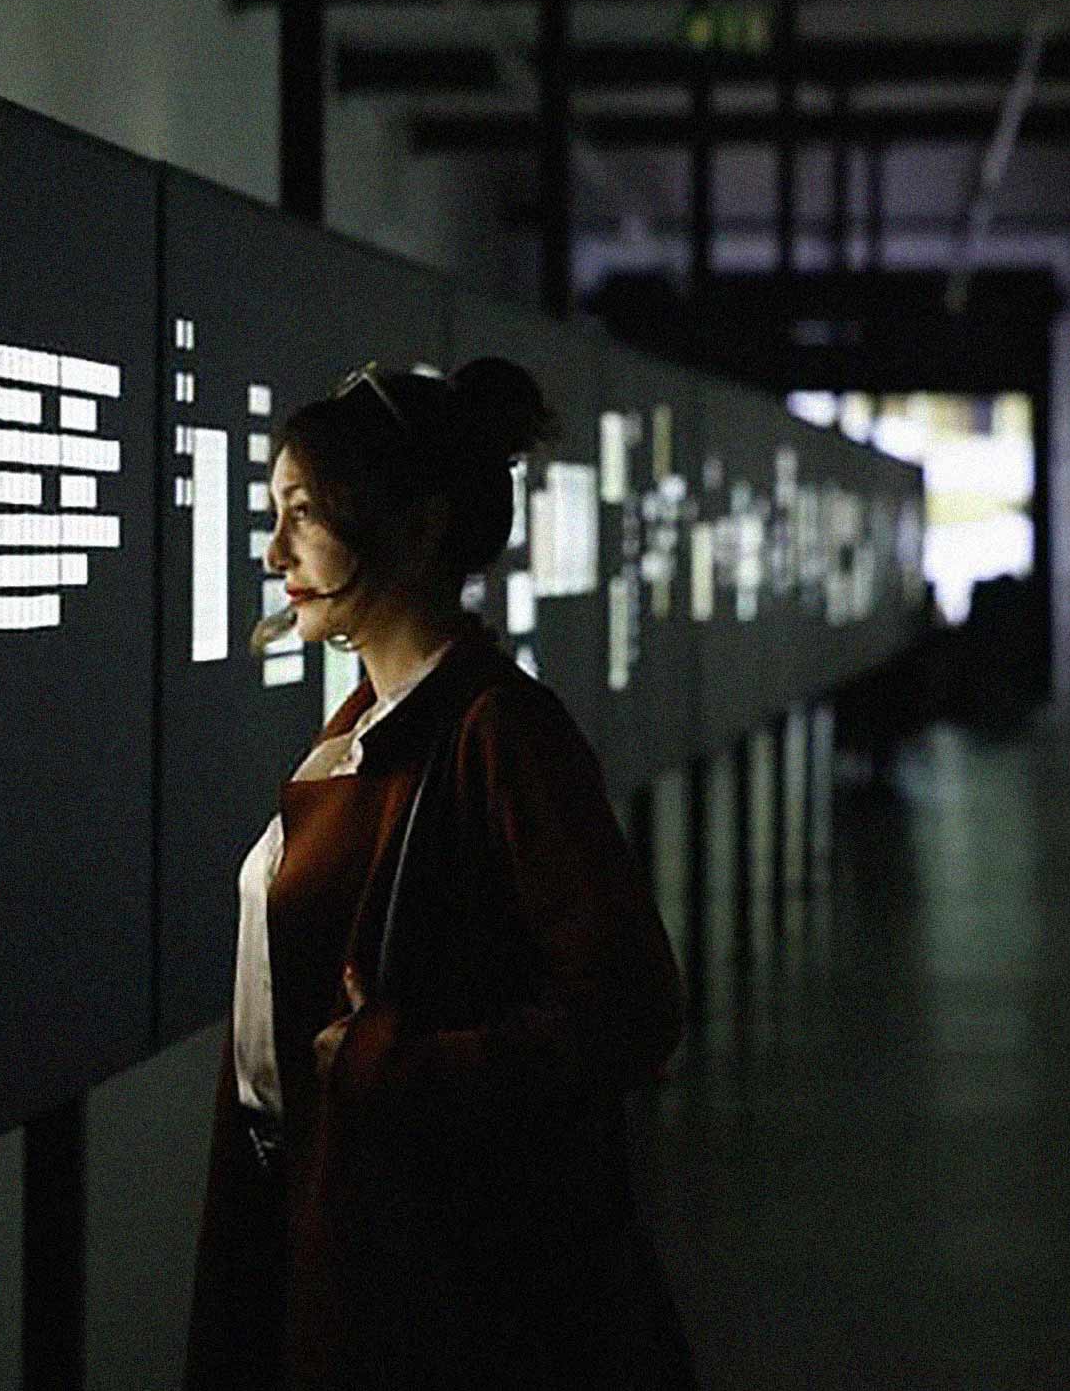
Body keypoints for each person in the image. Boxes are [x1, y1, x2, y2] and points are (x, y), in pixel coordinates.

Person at [182, 358, 700, 1390]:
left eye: (304, 514)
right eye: (274, 512)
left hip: (448, 1290)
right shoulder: (370, 725)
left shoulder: (500, 731)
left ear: (415, 529)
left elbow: (633, 1009)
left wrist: (395, 1065)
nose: (277, 549)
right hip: (342, 1229)